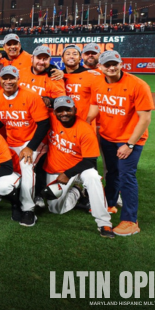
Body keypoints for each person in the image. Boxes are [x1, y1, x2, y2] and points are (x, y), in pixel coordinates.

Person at [87, 51, 153, 237]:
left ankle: (131, 221)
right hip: (108, 136)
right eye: (107, 65)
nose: (111, 67)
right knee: (112, 173)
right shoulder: (98, 82)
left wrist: (130, 145)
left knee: (127, 176)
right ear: (100, 67)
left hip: (130, 139)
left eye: (114, 64)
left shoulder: (138, 85)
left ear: (121, 64)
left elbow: (145, 119)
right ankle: (110, 203)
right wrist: (84, 123)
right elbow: (95, 106)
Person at [44, 96, 115, 238]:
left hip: (79, 169)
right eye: (60, 110)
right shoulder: (51, 119)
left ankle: (104, 223)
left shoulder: (85, 129)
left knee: (93, 177)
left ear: (75, 110)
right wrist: (45, 99)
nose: (64, 113)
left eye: (68, 110)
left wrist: (68, 174)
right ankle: (76, 191)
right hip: (56, 169)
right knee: (56, 209)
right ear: (54, 112)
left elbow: (89, 161)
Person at [0, 66, 50, 227]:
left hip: (31, 141)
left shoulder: (31, 96)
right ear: (0, 79)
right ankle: (14, 202)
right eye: (5, 78)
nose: (8, 81)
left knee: (26, 165)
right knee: (3, 176)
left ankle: (28, 209)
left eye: (12, 78)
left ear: (18, 79)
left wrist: (31, 146)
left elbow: (44, 124)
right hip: (11, 142)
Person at [61, 44, 101, 121]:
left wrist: (89, 120)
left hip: (85, 123)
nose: (71, 56)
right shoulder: (57, 77)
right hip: (63, 124)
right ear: (62, 58)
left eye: (75, 54)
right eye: (68, 54)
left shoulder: (92, 75)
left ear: (80, 58)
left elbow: (98, 102)